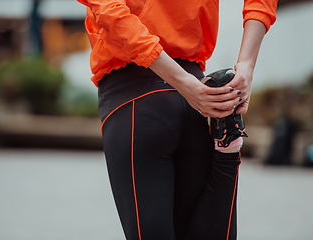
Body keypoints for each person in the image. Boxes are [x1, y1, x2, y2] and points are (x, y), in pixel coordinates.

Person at [77, 0, 277, 239]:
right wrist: (246, 64)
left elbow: (111, 12)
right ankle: (228, 149)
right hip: (200, 97)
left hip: (137, 99)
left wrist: (182, 82)